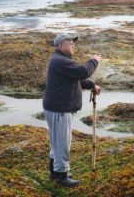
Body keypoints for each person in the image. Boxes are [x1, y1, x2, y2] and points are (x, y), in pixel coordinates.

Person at [42, 33, 101, 187]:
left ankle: (55, 172)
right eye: (70, 42)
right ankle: (62, 176)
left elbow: (78, 79)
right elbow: (82, 72)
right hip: (60, 109)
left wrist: (91, 85)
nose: (74, 45)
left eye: (74, 43)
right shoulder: (59, 60)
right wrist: (94, 60)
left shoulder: (60, 61)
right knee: (62, 143)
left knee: (57, 142)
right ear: (61, 45)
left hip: (56, 108)